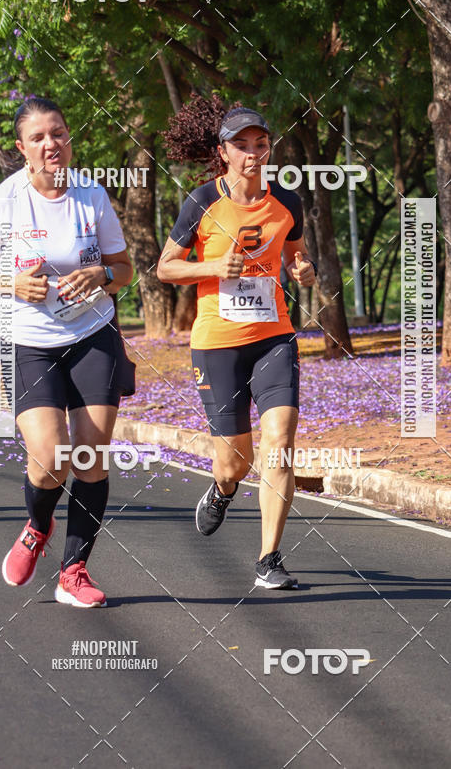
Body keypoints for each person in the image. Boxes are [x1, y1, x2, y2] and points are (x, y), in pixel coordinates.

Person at [0, 96, 134, 608]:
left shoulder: (92, 195)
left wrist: (101, 274)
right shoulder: (1, 203)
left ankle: (74, 571)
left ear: (68, 138)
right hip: (29, 342)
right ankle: (38, 525)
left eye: (57, 133)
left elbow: (123, 269)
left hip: (92, 335)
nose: (50, 144)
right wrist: (9, 283)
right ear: (22, 149)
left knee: (90, 457)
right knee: (50, 458)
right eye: (38, 138)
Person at [158, 98, 316, 590]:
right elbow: (165, 267)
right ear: (223, 152)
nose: (252, 153)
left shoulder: (286, 202)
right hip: (218, 344)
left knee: (281, 440)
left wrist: (303, 271)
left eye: (260, 145)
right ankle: (223, 489)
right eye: (241, 145)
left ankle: (269, 557)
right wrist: (210, 267)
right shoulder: (202, 201)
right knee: (236, 463)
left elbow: (296, 254)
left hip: (274, 337)